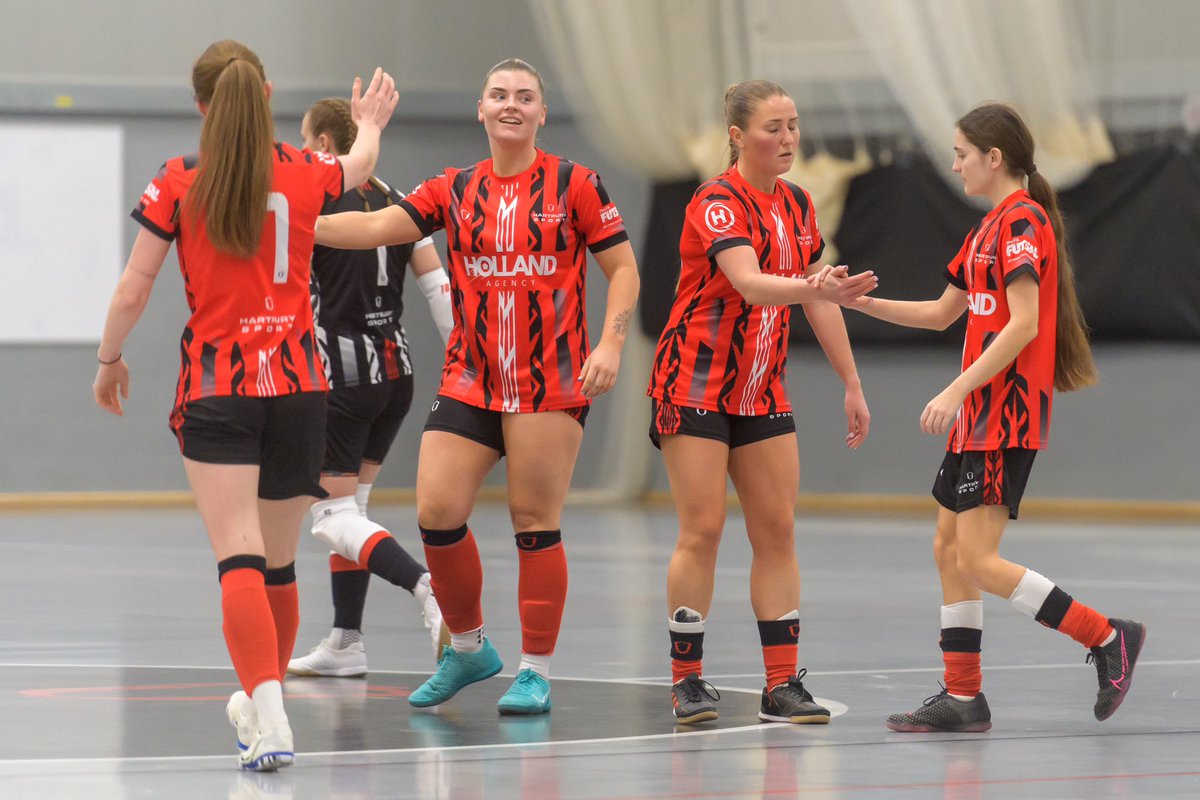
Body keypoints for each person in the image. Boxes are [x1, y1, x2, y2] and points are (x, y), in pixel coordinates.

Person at [92, 40, 397, 769]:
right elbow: (359, 168)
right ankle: (266, 710)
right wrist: (369, 122)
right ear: (266, 94)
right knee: (280, 566)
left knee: (239, 558)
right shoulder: (304, 168)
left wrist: (108, 359)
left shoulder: (178, 178)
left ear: (202, 104)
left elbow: (134, 287)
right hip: (300, 391)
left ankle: (271, 719)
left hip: (219, 390)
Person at [314, 58, 640, 715]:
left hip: (548, 383)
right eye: (499, 94)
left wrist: (610, 343)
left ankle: (535, 671)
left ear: (541, 113)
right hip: (470, 378)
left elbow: (625, 269)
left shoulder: (576, 184)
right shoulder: (453, 187)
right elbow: (375, 227)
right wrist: (293, 224)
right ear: (481, 110)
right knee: (437, 511)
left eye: (525, 96)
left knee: (533, 520)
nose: (511, 104)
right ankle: (468, 648)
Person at [847, 103, 1144, 732]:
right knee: (948, 549)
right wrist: (860, 303)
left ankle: (1105, 636)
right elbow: (940, 313)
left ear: (994, 157)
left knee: (978, 560)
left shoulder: (1023, 223)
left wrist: (956, 389)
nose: (954, 165)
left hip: (1003, 417)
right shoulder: (986, 229)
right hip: (977, 418)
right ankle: (963, 696)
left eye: (961, 154)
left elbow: (1025, 323)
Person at [646, 80, 877, 725]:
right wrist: (815, 286)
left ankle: (781, 686)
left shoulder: (798, 204)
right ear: (738, 136)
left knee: (777, 530)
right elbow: (749, 283)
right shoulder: (716, 201)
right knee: (703, 528)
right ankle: (687, 680)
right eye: (773, 128)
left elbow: (816, 299)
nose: (788, 138)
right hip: (692, 382)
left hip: (761, 388)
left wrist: (852, 382)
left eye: (793, 125)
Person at [285, 97, 452, 679]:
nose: (301, 151)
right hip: (395, 377)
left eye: (305, 140)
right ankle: (346, 642)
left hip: (342, 380)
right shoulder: (401, 200)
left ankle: (426, 588)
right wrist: (463, 362)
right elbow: (439, 290)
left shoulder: (313, 204)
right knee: (352, 511)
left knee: (330, 516)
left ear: (324, 146)